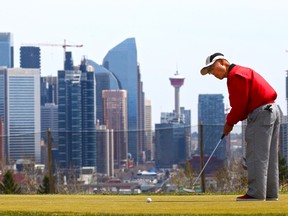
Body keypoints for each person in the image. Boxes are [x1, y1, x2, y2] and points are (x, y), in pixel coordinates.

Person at [200, 53, 280, 201]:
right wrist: (233, 120)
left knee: (256, 155)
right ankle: (270, 194)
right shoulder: (243, 71)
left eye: (212, 68)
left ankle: (256, 194)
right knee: (268, 157)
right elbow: (242, 106)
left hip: (261, 113)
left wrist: (229, 123)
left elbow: (239, 105)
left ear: (222, 62)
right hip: (272, 110)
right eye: (209, 71)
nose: (212, 73)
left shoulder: (235, 76)